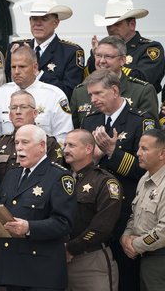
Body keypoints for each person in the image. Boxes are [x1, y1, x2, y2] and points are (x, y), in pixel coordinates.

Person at [0, 124, 76, 290]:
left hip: (41, 271)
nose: (19, 147)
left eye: (25, 142)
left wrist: (29, 227)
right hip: (12, 267)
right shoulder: (12, 175)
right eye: (17, 142)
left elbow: (64, 223)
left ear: (42, 146)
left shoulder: (59, 177)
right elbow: (5, 213)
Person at [81, 69, 156, 291]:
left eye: (97, 94)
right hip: (96, 209)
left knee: (127, 276)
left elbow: (150, 170)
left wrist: (113, 152)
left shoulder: (141, 121)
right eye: (90, 95)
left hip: (128, 209)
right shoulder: (90, 120)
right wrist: (92, 158)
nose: (92, 100)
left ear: (114, 90)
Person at [63, 129, 122, 291]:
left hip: (90, 260)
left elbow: (103, 226)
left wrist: (71, 248)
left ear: (88, 149)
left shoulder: (105, 182)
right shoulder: (61, 179)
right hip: (58, 261)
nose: (65, 149)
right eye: (65, 145)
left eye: (72, 145)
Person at [4, 0, 84, 99]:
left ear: (56, 23)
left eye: (44, 19)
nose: (38, 23)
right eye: (34, 19)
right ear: (30, 21)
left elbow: (71, 92)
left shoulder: (71, 52)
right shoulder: (17, 48)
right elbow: (8, 83)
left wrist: (38, 74)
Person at [71, 36, 158, 127]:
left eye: (108, 56)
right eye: (98, 56)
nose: (102, 61)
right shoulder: (80, 91)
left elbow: (150, 134)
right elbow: (74, 130)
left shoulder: (142, 91)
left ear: (122, 60)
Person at [0, 45, 73, 144]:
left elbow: (63, 138)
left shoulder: (54, 96)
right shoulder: (1, 94)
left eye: (22, 66)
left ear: (35, 67)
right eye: (13, 67)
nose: (16, 71)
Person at [87, 0, 165, 96]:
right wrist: (96, 56)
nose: (111, 29)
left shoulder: (150, 48)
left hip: (137, 104)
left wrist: (111, 65)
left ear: (132, 24)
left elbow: (144, 79)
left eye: (117, 24)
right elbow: (90, 79)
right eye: (108, 25)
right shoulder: (102, 49)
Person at [121, 129, 165, 290]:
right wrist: (125, 237)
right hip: (145, 258)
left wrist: (136, 245)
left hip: (160, 259)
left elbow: (163, 230)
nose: (138, 153)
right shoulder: (145, 178)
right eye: (139, 148)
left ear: (162, 154)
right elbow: (135, 214)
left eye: (145, 149)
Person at [0, 90, 63, 184]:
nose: (18, 112)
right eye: (13, 108)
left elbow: (54, 179)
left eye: (23, 107)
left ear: (35, 113)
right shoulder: (0, 143)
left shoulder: (48, 143)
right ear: (9, 116)